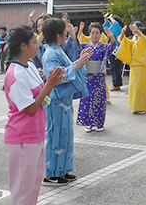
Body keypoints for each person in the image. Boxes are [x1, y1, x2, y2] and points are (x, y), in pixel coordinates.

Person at [3, 25, 66, 205]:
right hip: (22, 137)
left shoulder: (29, 65)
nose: (37, 46)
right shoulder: (14, 74)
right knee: (23, 191)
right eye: (33, 42)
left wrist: (51, 81)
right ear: (23, 46)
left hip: (35, 134)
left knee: (33, 186)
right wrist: (49, 85)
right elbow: (30, 108)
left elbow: (39, 94)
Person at [40, 18, 92, 185]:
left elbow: (65, 70)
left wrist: (79, 62)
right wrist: (77, 66)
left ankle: (62, 169)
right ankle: (50, 172)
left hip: (63, 101)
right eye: (64, 32)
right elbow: (54, 77)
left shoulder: (57, 50)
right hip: (56, 100)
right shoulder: (50, 53)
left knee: (65, 134)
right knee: (55, 134)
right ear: (58, 34)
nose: (66, 35)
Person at [77, 23, 115, 132]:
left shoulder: (103, 46)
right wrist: (75, 32)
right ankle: (88, 123)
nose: (94, 35)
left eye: (97, 33)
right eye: (92, 33)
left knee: (99, 100)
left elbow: (112, 46)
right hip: (88, 76)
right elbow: (76, 46)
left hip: (99, 77)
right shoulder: (85, 46)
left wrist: (111, 37)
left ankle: (99, 123)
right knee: (87, 98)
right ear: (89, 34)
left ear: (100, 35)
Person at [116, 22, 146, 114]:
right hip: (134, 66)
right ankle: (135, 107)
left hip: (143, 67)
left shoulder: (145, 40)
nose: (136, 34)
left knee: (141, 88)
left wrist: (139, 32)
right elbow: (123, 41)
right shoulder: (134, 42)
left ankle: (141, 107)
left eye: (138, 33)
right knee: (134, 88)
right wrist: (123, 32)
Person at [103, 13, 124, 91]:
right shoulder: (112, 27)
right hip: (112, 50)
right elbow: (105, 27)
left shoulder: (118, 27)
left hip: (117, 51)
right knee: (114, 68)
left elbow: (115, 23)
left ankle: (116, 84)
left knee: (116, 68)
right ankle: (116, 83)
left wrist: (111, 17)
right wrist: (106, 18)